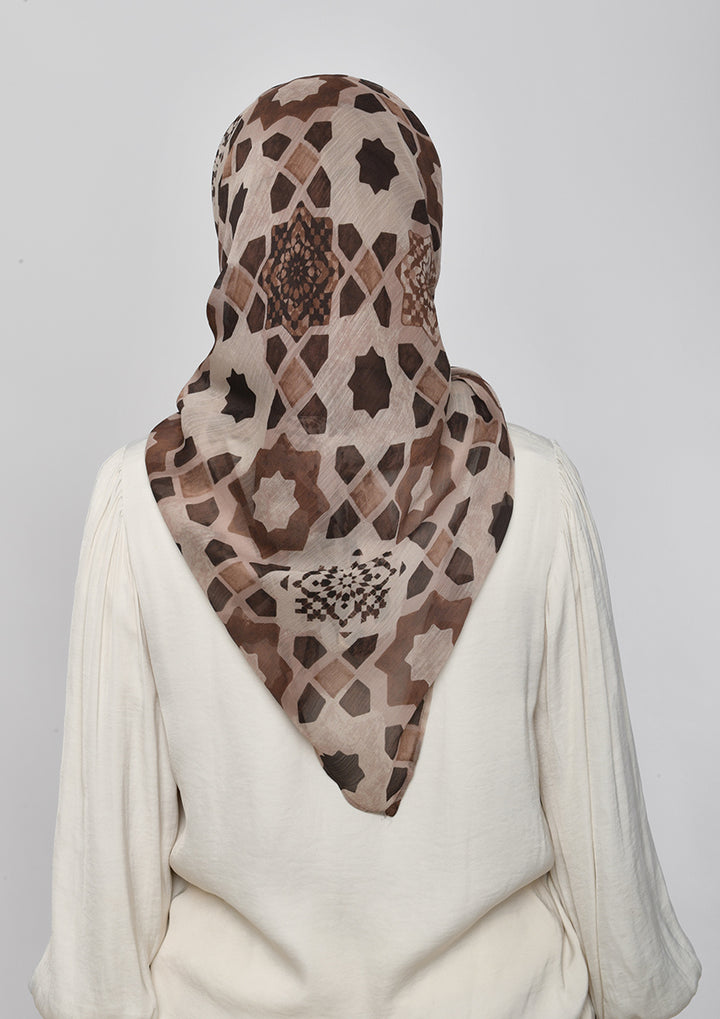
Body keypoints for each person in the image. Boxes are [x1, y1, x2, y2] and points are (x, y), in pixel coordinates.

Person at [28, 73, 701, 1018]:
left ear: (240, 247)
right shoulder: (534, 489)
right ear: (417, 242)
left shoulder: (143, 505)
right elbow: (614, 895)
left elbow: (102, 950)